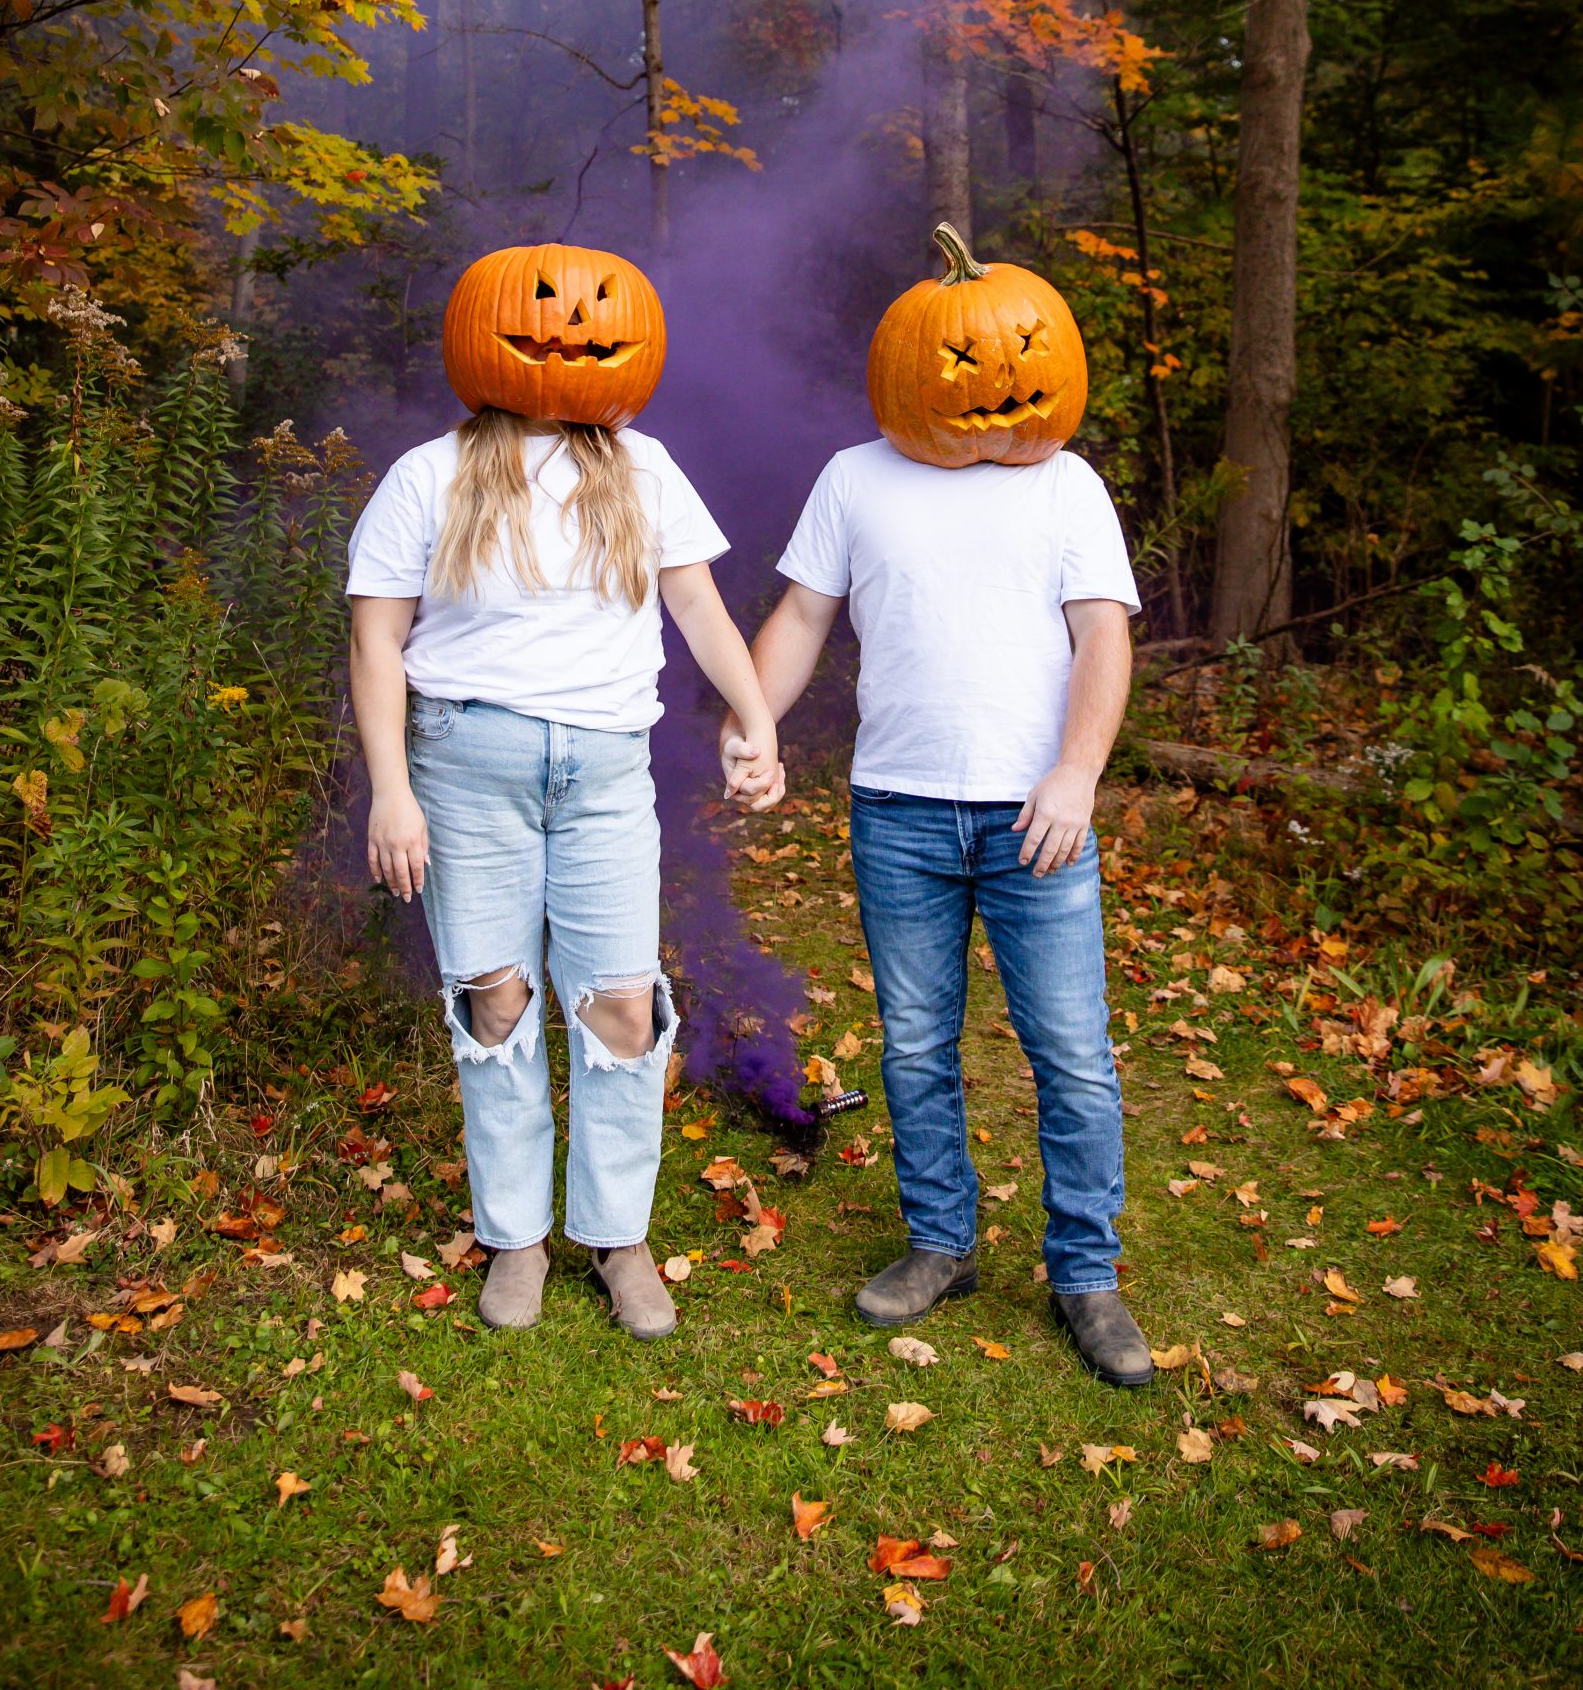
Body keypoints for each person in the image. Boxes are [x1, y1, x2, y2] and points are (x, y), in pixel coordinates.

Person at [731, 227, 1151, 1386]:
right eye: (961, 362)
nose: (991, 382)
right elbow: (803, 618)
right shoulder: (855, 478)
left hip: (1037, 817)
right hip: (899, 814)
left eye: (1016, 357)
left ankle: (1087, 1273)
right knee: (916, 1043)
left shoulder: (1067, 484)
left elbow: (1103, 637)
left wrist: (1078, 770)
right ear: (915, 369)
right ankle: (941, 1243)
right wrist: (752, 726)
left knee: (1070, 1050)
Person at [347, 241, 782, 1341]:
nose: (568, 324)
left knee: (623, 1008)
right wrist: (391, 790)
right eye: (542, 309)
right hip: (464, 766)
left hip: (601, 773)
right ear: (486, 326)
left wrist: (757, 715)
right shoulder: (427, 474)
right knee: (497, 1001)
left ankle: (617, 1235)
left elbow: (698, 608)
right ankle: (515, 1238)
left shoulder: (644, 468)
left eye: (595, 312)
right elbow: (375, 636)